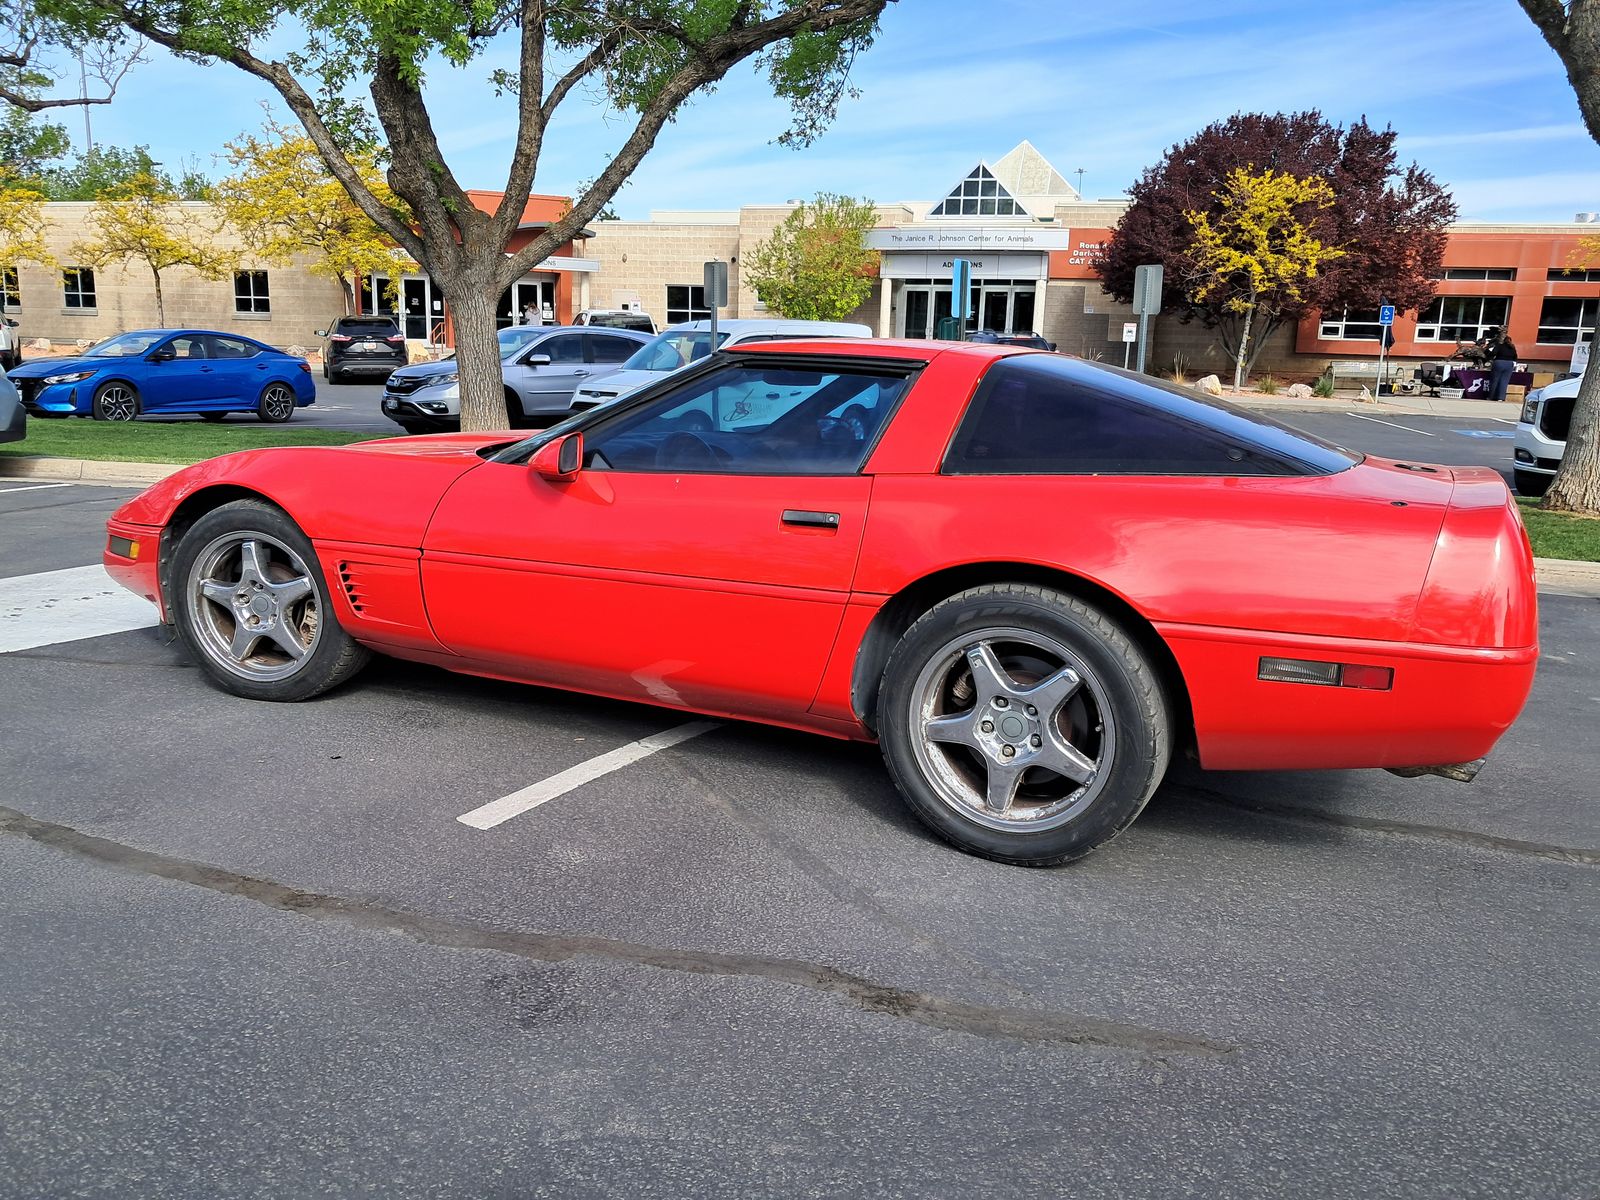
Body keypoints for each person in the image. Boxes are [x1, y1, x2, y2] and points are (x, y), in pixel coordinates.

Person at [1486, 327, 1519, 403]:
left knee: (1495, 380)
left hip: (1499, 362)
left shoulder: (1499, 345)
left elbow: (1493, 353)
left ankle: (1491, 396)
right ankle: (1501, 398)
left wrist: (1489, 352)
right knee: (1504, 381)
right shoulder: (1512, 347)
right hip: (1509, 364)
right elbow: (1516, 356)